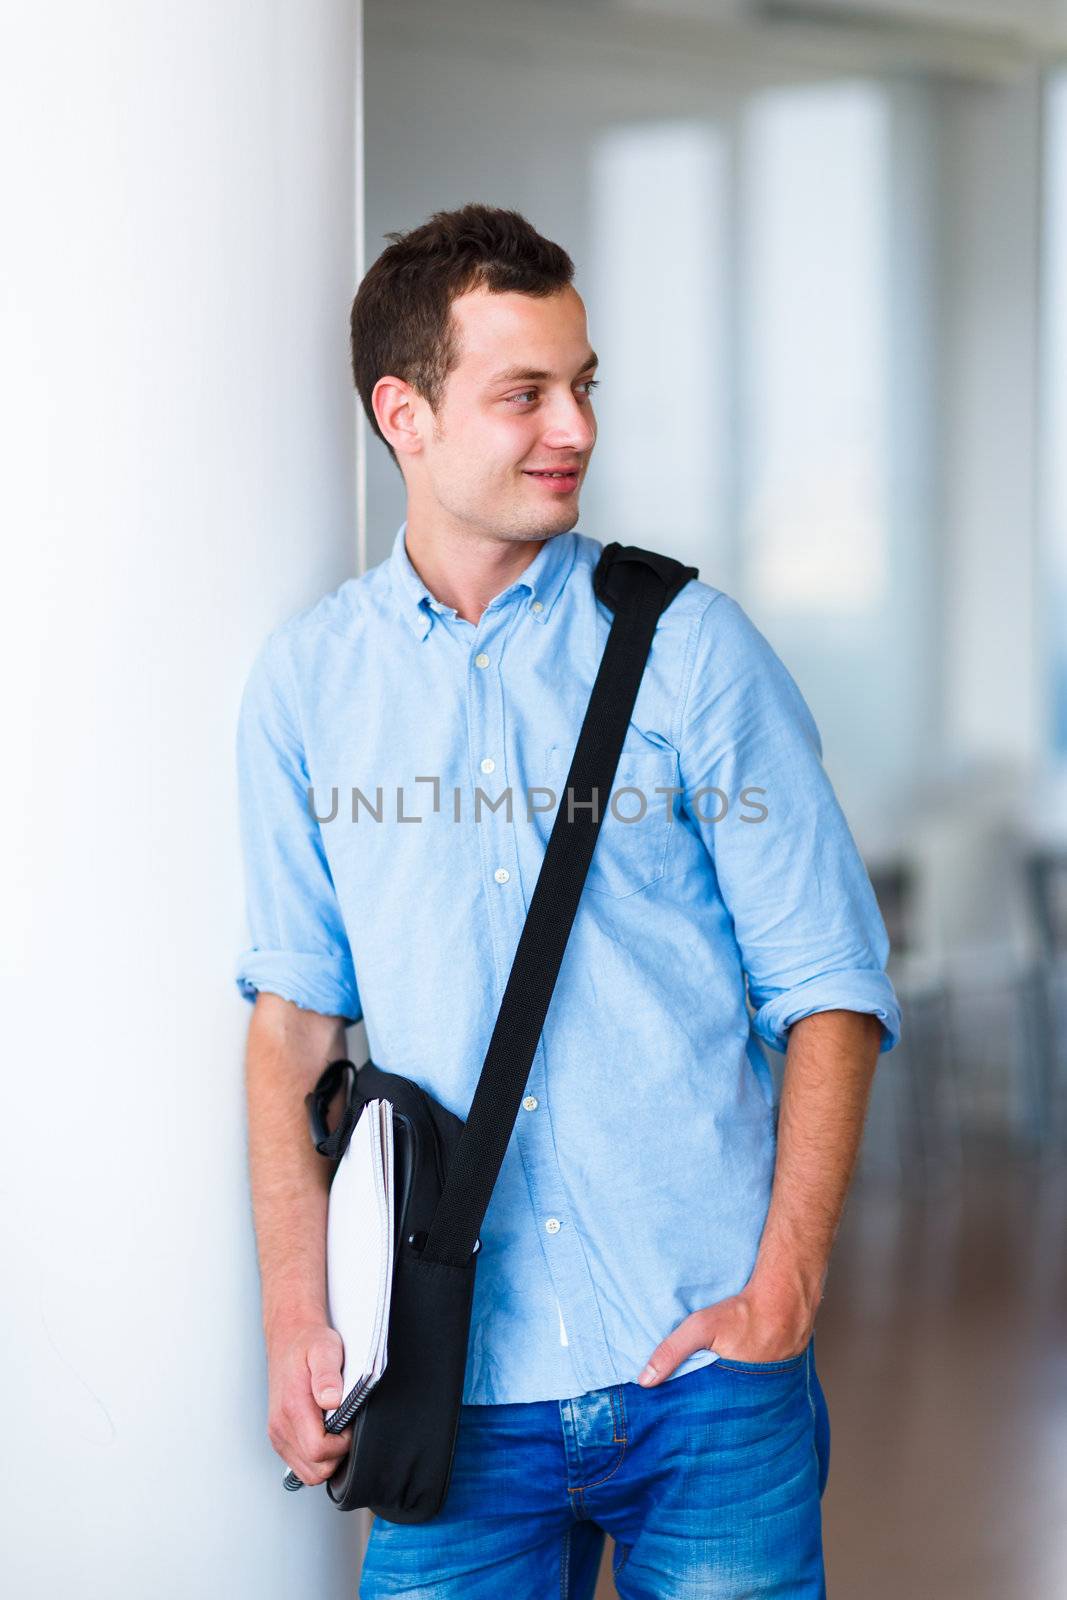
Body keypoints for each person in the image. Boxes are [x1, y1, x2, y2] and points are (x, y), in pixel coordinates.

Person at [235, 203, 901, 1599]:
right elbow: (294, 1025)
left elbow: (831, 985)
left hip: (706, 1378)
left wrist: (783, 1288)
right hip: (448, 1389)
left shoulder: (696, 653)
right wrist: (297, 1314)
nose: (576, 428)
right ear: (404, 413)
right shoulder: (309, 688)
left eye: (583, 384)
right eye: (525, 392)